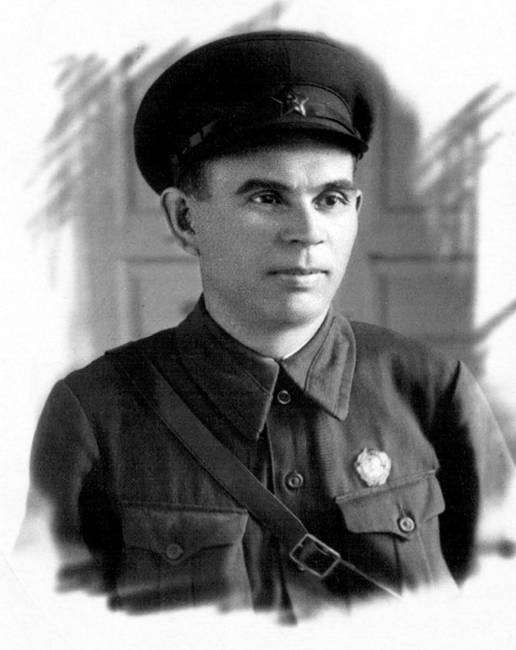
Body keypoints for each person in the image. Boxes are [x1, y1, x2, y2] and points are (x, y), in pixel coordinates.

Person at [19, 30, 514, 621]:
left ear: (355, 211)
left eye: (330, 199)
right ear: (185, 219)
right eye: (266, 198)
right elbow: (39, 623)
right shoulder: (94, 414)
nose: (307, 232)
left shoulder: (430, 389)